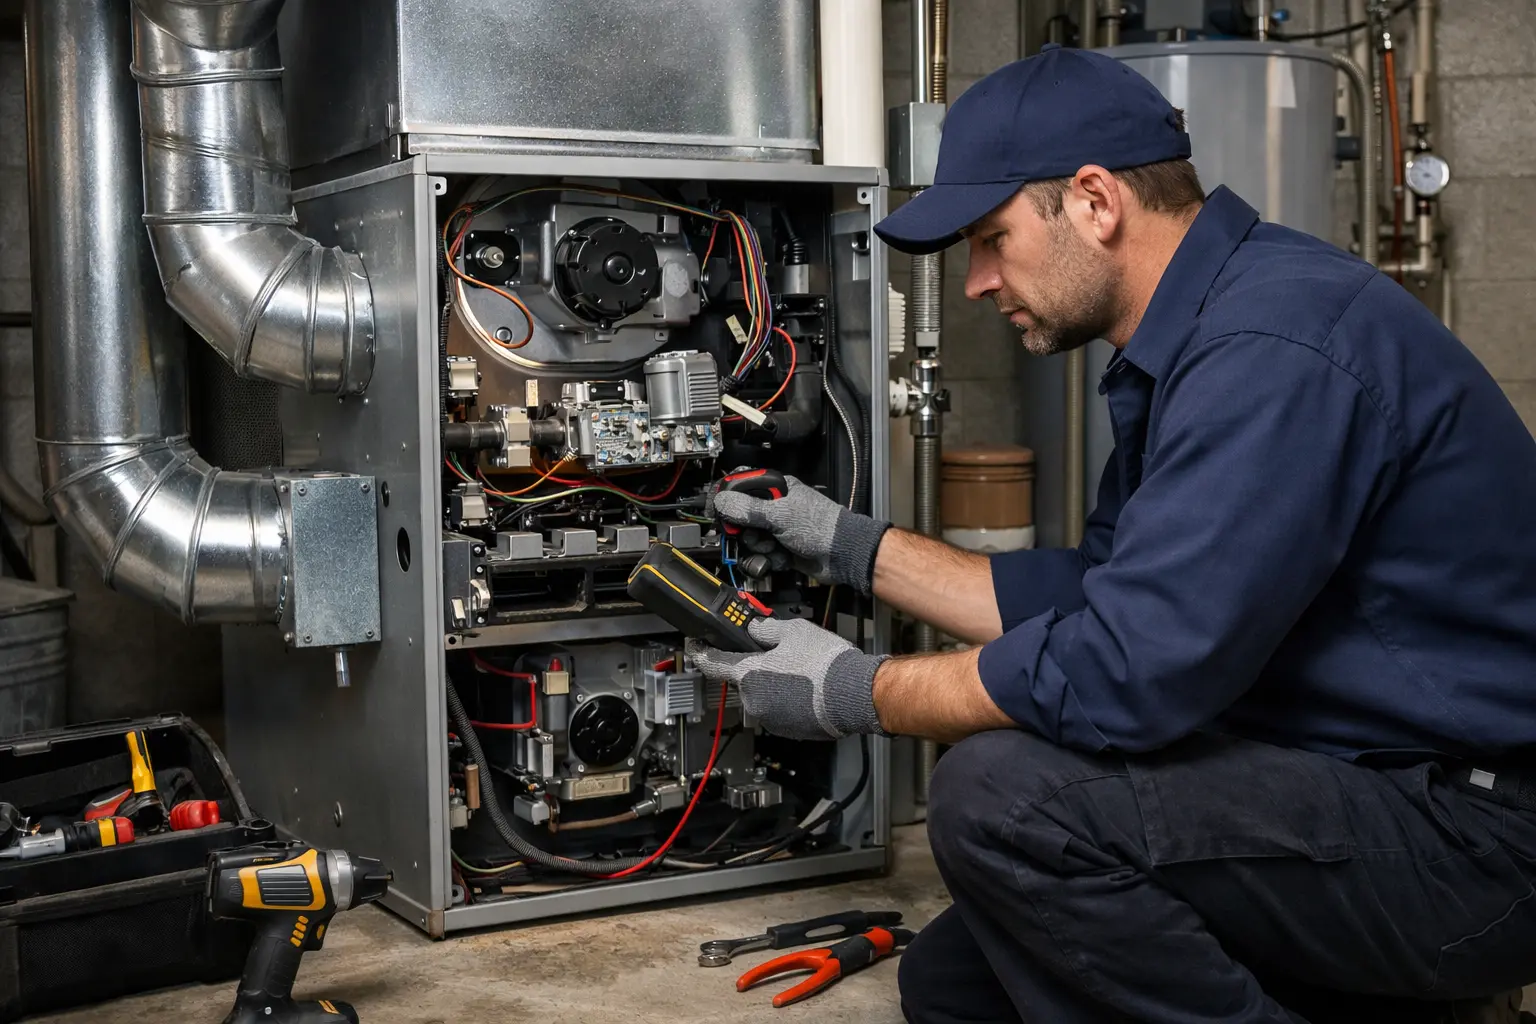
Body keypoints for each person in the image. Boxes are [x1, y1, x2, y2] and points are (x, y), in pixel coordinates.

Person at [688, 44, 1536, 1024]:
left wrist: (859, 693)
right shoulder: (1199, 334)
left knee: (1003, 800)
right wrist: (845, 541)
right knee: (960, 985)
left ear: (1094, 201)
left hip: (1477, 839)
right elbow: (1105, 592)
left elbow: (1130, 671)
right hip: (1364, 784)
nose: (975, 281)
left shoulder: (1271, 349)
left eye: (991, 237)